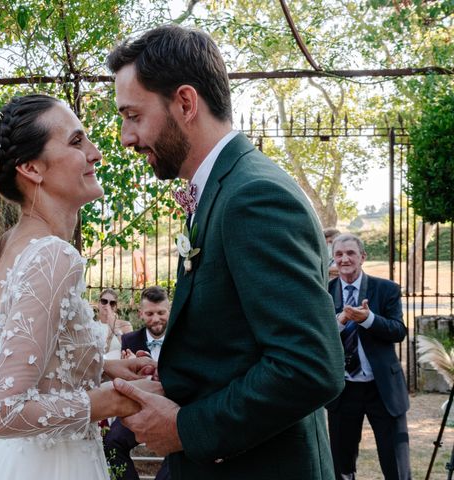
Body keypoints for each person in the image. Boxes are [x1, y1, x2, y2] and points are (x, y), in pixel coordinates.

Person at [107, 24, 345, 480]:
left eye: (133, 115)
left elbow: (309, 366)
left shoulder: (252, 196)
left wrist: (186, 428)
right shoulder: (223, 190)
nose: (126, 137)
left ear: (185, 103)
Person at [0, 94, 160, 480]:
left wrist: (100, 367)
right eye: (76, 142)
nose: (96, 153)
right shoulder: (52, 256)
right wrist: (112, 401)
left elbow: (27, 362)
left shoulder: (10, 246)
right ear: (31, 168)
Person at [326, 233, 410, 480]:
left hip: (382, 389)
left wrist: (369, 319)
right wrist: (339, 322)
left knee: (396, 464)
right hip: (343, 390)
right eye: (339, 254)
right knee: (342, 464)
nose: (344, 259)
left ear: (362, 257)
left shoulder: (386, 289)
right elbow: (317, 338)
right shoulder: (324, 292)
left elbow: (398, 331)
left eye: (350, 253)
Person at [104, 286, 171, 480]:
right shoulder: (129, 339)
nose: (156, 318)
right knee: (111, 442)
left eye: (161, 313)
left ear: (169, 310)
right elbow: (125, 377)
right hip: (137, 408)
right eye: (150, 313)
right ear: (141, 313)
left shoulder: (181, 339)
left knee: (180, 449)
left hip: (173, 408)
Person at [97, 288, 133, 358]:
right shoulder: (91, 326)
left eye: (112, 303)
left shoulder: (125, 325)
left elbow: (129, 351)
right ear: (98, 304)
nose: (108, 305)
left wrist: (114, 327)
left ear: (115, 307)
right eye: (104, 301)